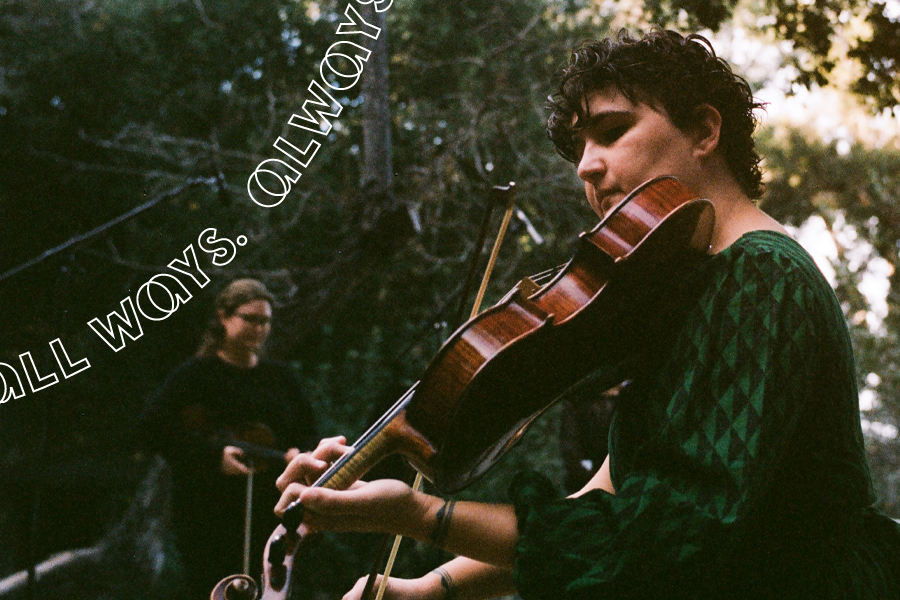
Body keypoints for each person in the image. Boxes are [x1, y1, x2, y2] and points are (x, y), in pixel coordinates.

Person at [273, 29, 900, 600]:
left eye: (611, 132)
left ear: (705, 131)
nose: (585, 166)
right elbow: (611, 495)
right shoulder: (690, 288)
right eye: (578, 146)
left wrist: (419, 515)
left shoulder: (761, 276)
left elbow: (662, 535)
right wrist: (427, 591)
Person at [141, 278, 317, 599]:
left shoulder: (281, 378)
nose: (260, 328)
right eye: (250, 318)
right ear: (224, 317)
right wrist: (213, 457)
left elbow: (306, 430)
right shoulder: (194, 374)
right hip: (207, 508)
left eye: (265, 321)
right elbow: (153, 427)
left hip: (268, 506)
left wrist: (297, 451)